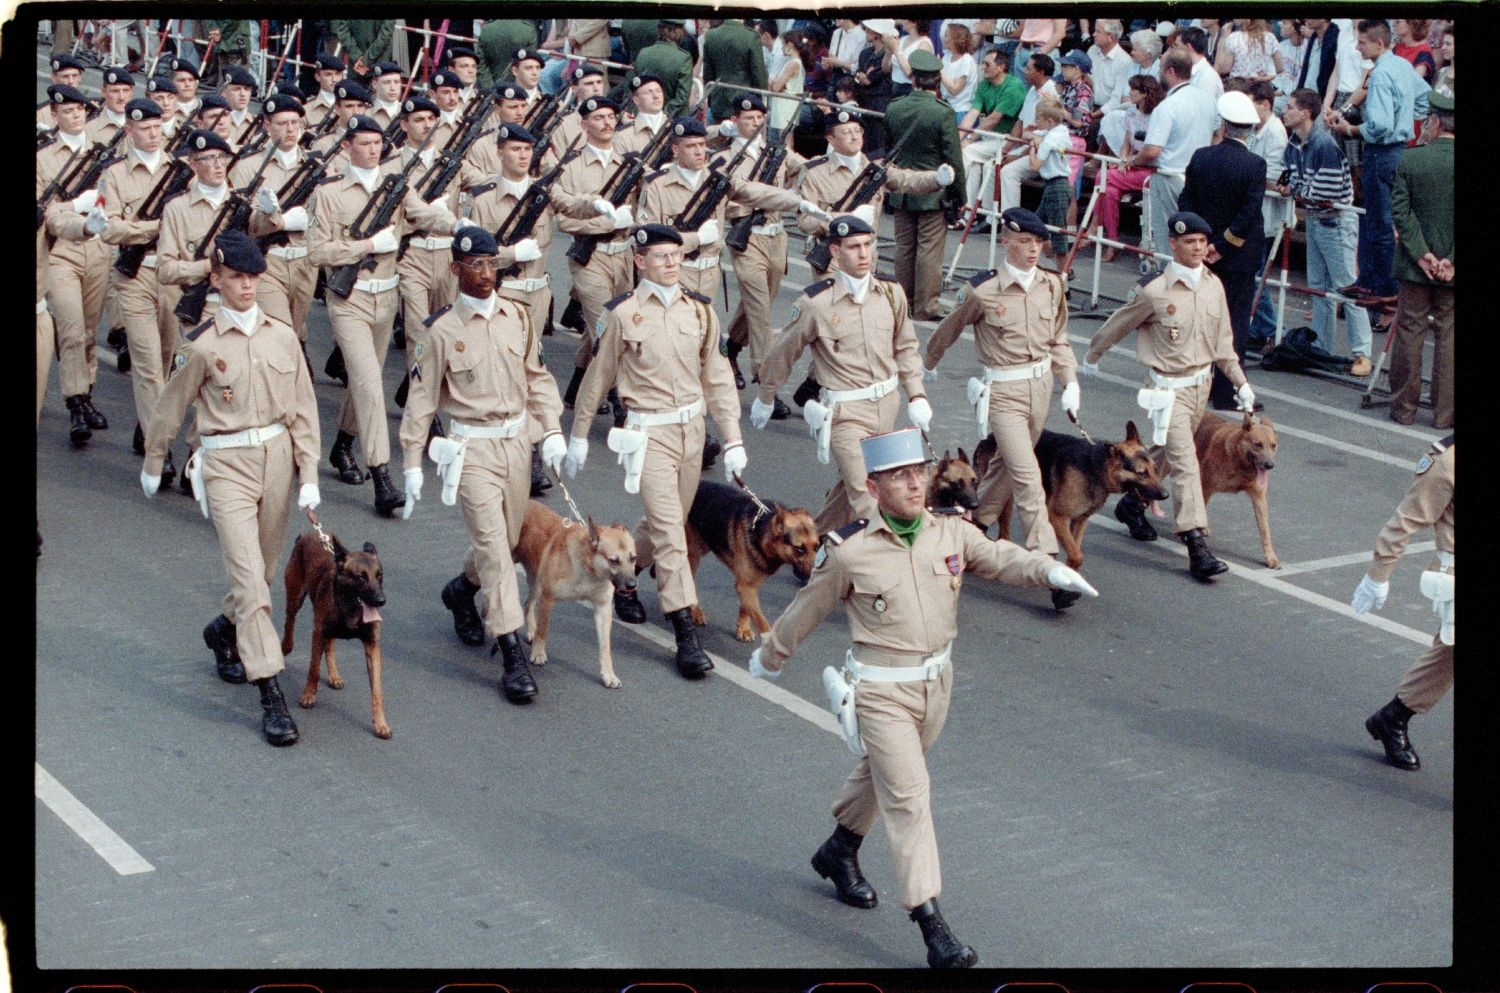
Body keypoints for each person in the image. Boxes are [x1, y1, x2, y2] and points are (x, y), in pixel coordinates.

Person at [747, 427, 1097, 969]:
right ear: (874, 485)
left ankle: (838, 849)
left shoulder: (949, 533)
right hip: (882, 690)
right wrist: (771, 658)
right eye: (899, 476)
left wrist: (1048, 568)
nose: (914, 484)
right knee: (909, 796)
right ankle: (933, 927)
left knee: (884, 773)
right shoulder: (850, 552)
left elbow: (999, 556)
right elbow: (807, 609)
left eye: (919, 473)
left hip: (937, 685)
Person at [140, 231, 320, 746]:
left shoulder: (283, 336)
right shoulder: (199, 345)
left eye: (253, 277)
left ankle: (223, 630)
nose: (247, 287)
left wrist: (309, 477)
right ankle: (271, 693)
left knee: (262, 572)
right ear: (215, 280)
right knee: (249, 580)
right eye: (236, 278)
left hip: (278, 459)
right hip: (225, 464)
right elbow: (170, 406)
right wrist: (157, 460)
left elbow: (304, 412)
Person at [563, 224, 746, 679]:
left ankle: (623, 577)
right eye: (660, 256)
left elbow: (718, 378)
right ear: (639, 261)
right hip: (649, 436)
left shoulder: (701, 313)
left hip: (691, 432)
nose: (670, 263)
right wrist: (579, 433)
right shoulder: (623, 314)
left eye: (676, 255)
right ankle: (683, 629)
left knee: (666, 522)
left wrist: (734, 437)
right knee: (670, 532)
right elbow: (599, 374)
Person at [398, 228, 566, 702]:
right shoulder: (440, 332)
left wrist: (550, 430)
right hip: (472, 450)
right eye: (475, 266)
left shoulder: (518, 316)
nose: (486, 274)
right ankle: (512, 653)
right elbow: (421, 401)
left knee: (507, 541)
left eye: (492, 265)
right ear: (456, 270)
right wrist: (412, 460)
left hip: (517, 445)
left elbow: (537, 378)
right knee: (495, 551)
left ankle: (460, 590)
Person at [306, 113, 468, 515]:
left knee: (366, 381)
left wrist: (460, 226)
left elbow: (423, 214)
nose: (373, 149)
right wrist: (363, 248)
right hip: (349, 299)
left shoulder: (395, 186)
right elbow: (317, 251)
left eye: (378, 143)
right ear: (346, 147)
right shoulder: (328, 193)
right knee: (367, 382)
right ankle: (382, 476)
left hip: (386, 297)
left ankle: (343, 444)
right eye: (363, 143)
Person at [1080, 211, 1257, 581]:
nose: (1197, 248)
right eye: (1189, 242)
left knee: (1166, 454)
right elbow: (1119, 323)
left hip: (1200, 386)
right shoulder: (1155, 290)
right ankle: (1195, 542)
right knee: (1186, 459)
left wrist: (1240, 383)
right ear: (1173, 244)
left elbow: (1223, 342)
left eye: (1202, 242)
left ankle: (1131, 503)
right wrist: (1092, 356)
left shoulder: (1213, 285)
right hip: (1167, 390)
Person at [924, 208, 1082, 603]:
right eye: (1025, 242)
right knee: (1027, 474)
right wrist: (923, 371)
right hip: (1005, 392)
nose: (1034, 250)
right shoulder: (982, 290)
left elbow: (1058, 337)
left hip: (1041, 386)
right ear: (1005, 241)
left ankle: (975, 524)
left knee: (1005, 468)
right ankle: (1049, 565)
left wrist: (1070, 381)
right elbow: (948, 329)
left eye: (1039, 243)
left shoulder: (1051, 285)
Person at [751, 215, 929, 533]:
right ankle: (879, 577)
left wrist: (916, 394)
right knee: (870, 497)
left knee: (854, 485)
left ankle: (817, 543)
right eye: (854, 247)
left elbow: (905, 345)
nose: (864, 254)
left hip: (886, 405)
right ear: (835, 252)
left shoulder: (891, 292)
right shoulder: (815, 304)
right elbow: (783, 352)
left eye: (868, 245)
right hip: (845, 414)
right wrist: (766, 396)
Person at [1353, 435, 1454, 772]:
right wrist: (1377, 576)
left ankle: (1393, 717)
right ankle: (1394, 717)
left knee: (1448, 654)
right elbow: (1404, 522)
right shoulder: (1447, 463)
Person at [1327, 21, 1429, 306]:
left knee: (1378, 221)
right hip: (1396, 150)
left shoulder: (1382, 74)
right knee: (1378, 220)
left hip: (1381, 152)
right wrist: (1405, 117)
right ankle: (1371, 281)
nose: (1358, 47)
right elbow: (1423, 100)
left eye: (1362, 42)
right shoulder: (1401, 67)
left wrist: (1350, 130)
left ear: (1379, 44)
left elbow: (1380, 126)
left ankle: (1382, 285)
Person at [1178, 90, 1267, 411]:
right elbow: (1247, 214)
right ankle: (1227, 391)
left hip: (1201, 254)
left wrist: (1202, 242)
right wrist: (1222, 245)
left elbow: (1186, 202)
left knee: (1200, 317)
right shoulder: (1255, 165)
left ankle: (1193, 383)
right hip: (1237, 258)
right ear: (1250, 129)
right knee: (1234, 323)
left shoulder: (1201, 156)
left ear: (1225, 126)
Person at [1277, 88, 1370, 374]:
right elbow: (1288, 179)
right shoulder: (1293, 144)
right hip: (1318, 219)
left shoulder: (1324, 145)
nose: (1285, 111)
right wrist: (1293, 188)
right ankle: (1321, 347)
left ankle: (1362, 352)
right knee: (1319, 288)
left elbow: (1321, 193)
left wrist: (1294, 189)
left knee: (1346, 287)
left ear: (1305, 113)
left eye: (1290, 107)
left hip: (1336, 220)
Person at [39, 84, 112, 448]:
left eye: (81, 110)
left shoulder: (107, 153)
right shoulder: (44, 158)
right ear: (55, 114)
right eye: (68, 111)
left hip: (97, 250)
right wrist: (75, 206)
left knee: (86, 331)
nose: (76, 115)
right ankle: (75, 405)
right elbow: (46, 212)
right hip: (61, 251)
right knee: (69, 328)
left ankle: (87, 394)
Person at [1386, 88, 1453, 429]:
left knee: (1410, 331)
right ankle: (1445, 413)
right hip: (1451, 270)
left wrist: (1422, 254)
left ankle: (1404, 408)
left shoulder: (1411, 160)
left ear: (1436, 122)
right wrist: (1449, 260)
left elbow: (1401, 212)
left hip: (1415, 266)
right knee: (1449, 334)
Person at [883, 49, 964, 320]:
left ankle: (902, 301)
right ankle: (926, 306)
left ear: (913, 78)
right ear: (937, 80)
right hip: (932, 191)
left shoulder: (894, 107)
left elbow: (888, 150)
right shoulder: (942, 113)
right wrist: (959, 196)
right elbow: (953, 159)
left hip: (901, 189)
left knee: (904, 247)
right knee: (929, 251)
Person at [1127, 50, 1216, 262]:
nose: (1158, 74)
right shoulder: (1208, 100)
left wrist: (1133, 161)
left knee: (1169, 239)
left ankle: (1172, 286)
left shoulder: (1167, 106)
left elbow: (1151, 151)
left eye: (1160, 69)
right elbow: (1218, 136)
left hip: (1169, 176)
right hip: (1198, 177)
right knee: (1193, 238)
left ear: (1171, 71)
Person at [242, 93, 317, 340]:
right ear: (266, 124)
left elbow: (322, 213)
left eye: (295, 123)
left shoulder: (314, 167)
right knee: (280, 334)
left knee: (294, 333)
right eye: (282, 123)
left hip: (305, 262)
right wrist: (278, 220)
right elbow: (245, 222)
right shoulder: (249, 166)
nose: (290, 129)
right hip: (268, 261)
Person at [956, 48, 1027, 229]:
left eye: (987, 64)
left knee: (968, 151)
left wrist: (970, 138)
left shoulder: (1014, 86)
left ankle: (959, 201)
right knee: (973, 164)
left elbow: (994, 118)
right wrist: (959, 138)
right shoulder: (984, 85)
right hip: (991, 140)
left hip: (1010, 141)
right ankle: (970, 214)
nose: (983, 68)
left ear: (1001, 67)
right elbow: (973, 114)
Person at [1097, 76, 1166, 262]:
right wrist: (1122, 161)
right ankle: (1112, 242)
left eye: (1133, 89)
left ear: (1144, 93)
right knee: (1109, 191)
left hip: (1151, 169)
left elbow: (1151, 151)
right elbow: (1127, 142)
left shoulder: (1157, 115)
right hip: (1133, 165)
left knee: (1102, 177)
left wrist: (1130, 162)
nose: (1129, 92)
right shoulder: (1130, 112)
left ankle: (1094, 226)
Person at [701, 19, 767, 124]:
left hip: (719, 99)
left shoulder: (711, 35)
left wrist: (711, 98)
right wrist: (758, 101)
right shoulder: (750, 36)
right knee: (744, 138)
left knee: (719, 136)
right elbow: (759, 75)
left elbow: (708, 73)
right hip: (745, 101)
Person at [634, 20, 695, 119]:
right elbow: (682, 97)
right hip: (672, 120)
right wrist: (662, 115)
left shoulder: (643, 53)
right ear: (678, 32)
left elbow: (635, 87)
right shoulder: (683, 58)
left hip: (645, 114)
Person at [768, 31, 811, 139]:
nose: (782, 48)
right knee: (784, 138)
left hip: (786, 106)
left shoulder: (793, 63)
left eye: (783, 45)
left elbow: (776, 87)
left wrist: (775, 82)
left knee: (785, 140)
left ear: (790, 45)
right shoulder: (792, 62)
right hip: (784, 105)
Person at [475, 19, 538, 90]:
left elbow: (481, 62)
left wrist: (488, 88)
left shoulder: (486, 29)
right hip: (519, 90)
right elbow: (529, 64)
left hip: (492, 88)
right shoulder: (528, 30)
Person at [1215, 19, 1283, 83]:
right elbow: (1280, 68)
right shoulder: (1270, 37)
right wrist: (1263, 76)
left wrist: (1223, 38)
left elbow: (1225, 69)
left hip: (1239, 86)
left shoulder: (1234, 37)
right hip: (1262, 87)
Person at [939, 23, 979, 124]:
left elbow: (954, 89)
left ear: (956, 39)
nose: (944, 38)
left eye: (947, 34)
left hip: (961, 111)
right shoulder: (947, 57)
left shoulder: (966, 60)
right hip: (947, 107)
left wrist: (939, 68)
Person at [329, 18, 393, 79]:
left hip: (358, 66)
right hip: (376, 66)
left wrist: (359, 58)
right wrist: (364, 60)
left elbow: (343, 32)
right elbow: (385, 36)